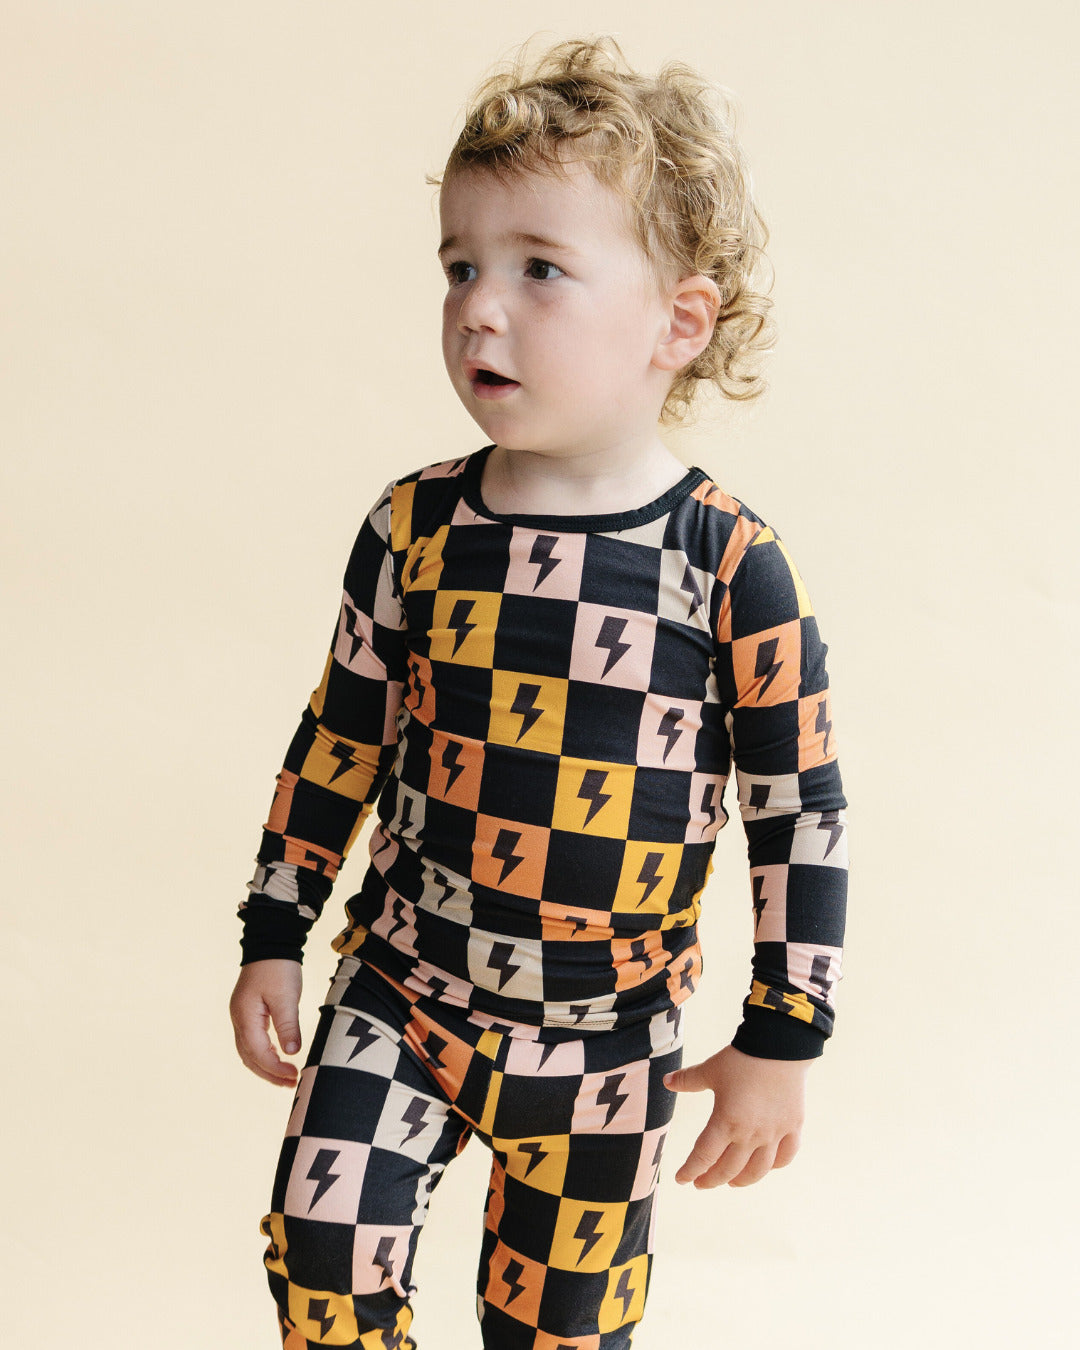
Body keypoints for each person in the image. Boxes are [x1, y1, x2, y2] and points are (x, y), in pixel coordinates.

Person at [230, 35, 848, 1350]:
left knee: (561, 1329)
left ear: (679, 322)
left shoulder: (729, 567)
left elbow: (801, 813)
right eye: (459, 265)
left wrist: (784, 1033)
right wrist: (275, 927)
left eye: (539, 269)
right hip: (401, 988)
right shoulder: (414, 527)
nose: (478, 308)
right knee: (322, 1252)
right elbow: (339, 737)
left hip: (605, 1042)